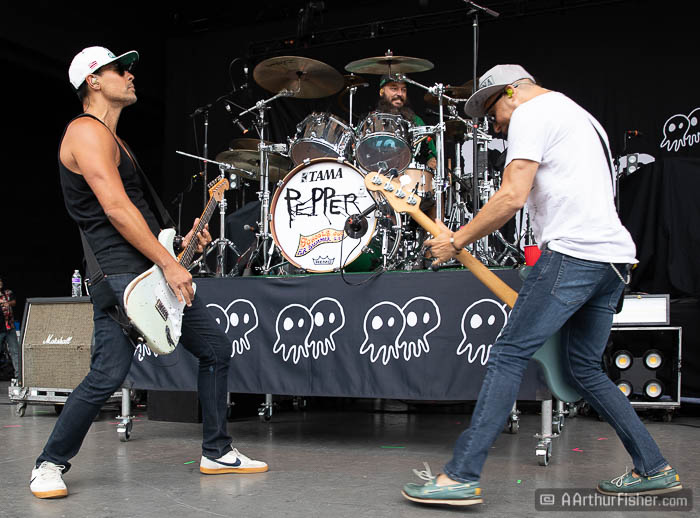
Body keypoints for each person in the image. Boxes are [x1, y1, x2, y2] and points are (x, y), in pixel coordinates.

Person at [402, 64, 681, 506]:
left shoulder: (532, 114)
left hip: (575, 255)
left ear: (512, 92)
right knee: (585, 369)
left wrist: (456, 240)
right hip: (612, 260)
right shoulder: (581, 116)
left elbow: (511, 196)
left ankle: (460, 476)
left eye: (493, 113)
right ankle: (654, 467)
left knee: (508, 354)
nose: (495, 126)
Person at [30, 46, 268, 500]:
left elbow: (136, 213)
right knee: (107, 374)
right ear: (93, 80)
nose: (130, 75)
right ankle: (48, 464)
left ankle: (217, 451)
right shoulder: (85, 130)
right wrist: (171, 263)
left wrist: (177, 246)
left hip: (146, 271)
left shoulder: (115, 140)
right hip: (121, 275)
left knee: (214, 349)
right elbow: (116, 209)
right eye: (120, 69)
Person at [376, 75, 437, 170]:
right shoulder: (371, 122)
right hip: (374, 175)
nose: (400, 94)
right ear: (382, 92)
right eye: (394, 89)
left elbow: (432, 154)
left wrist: (432, 161)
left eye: (403, 90)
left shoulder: (416, 121)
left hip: (409, 176)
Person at [0, 276, 19, 379]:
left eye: (1, 281)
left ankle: (18, 376)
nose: (0, 283)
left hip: (9, 327)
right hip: (0, 328)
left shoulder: (7, 293)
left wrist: (7, 303)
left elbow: (14, 302)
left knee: (15, 351)